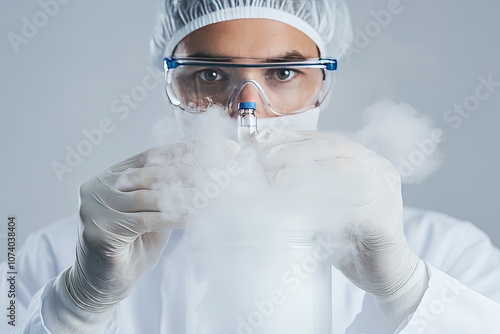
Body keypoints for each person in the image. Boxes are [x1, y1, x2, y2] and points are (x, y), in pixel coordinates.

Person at [2, 0, 500, 333]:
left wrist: (405, 290)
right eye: (212, 74)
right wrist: (77, 303)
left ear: (324, 84)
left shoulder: (448, 252)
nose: (248, 110)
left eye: (284, 73)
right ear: (171, 84)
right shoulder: (57, 255)